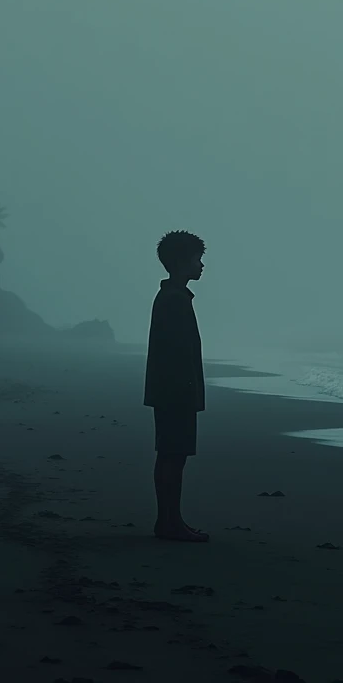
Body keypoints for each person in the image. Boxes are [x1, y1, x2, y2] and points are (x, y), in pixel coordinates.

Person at [143, 230, 209, 542]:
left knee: (171, 454)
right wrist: (188, 391)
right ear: (182, 262)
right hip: (175, 391)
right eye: (197, 259)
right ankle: (170, 522)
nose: (201, 265)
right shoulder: (174, 301)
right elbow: (176, 353)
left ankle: (170, 519)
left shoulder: (171, 297)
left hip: (169, 389)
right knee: (173, 455)